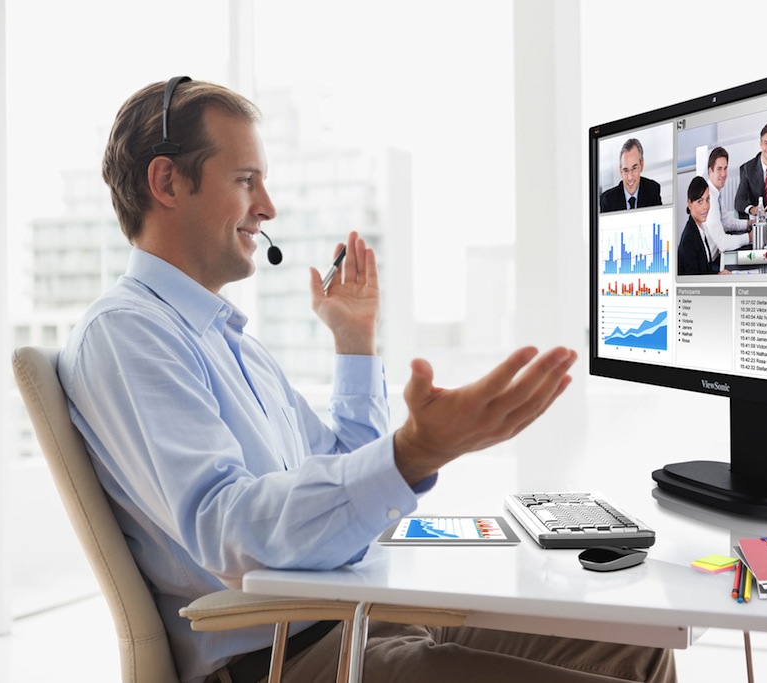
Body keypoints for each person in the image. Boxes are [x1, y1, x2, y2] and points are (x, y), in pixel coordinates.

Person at [59, 78, 675, 683]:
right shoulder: (129, 335)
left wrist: (354, 345)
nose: (267, 206)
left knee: (641, 648)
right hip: (283, 657)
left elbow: (345, 485)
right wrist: (412, 454)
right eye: (246, 181)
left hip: (357, 617)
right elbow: (231, 534)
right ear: (167, 181)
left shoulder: (227, 341)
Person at [705, 148, 754, 256]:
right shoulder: (709, 200)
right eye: (719, 169)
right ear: (710, 171)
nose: (723, 174)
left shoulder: (715, 193)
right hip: (713, 263)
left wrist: (749, 224)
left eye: (725, 168)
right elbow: (723, 244)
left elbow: (726, 222)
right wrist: (749, 237)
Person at [678, 175, 729, 275]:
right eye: (700, 202)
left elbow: (703, 270)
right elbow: (694, 282)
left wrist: (718, 274)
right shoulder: (689, 240)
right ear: (690, 204)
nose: (706, 207)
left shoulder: (700, 227)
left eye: (707, 200)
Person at [599, 138, 663, 212]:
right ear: (620, 171)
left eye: (634, 168)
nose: (630, 177)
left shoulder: (652, 190)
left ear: (641, 165)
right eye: (625, 170)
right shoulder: (607, 200)